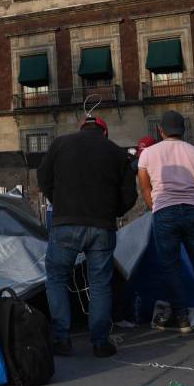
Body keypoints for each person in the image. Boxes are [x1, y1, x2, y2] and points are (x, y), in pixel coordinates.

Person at [37, 115, 136, 357]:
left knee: (57, 279)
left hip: (66, 223)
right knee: (100, 284)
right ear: (104, 132)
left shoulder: (61, 143)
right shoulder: (117, 152)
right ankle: (100, 342)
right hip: (102, 226)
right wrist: (112, 212)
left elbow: (43, 178)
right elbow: (129, 195)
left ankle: (61, 338)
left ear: (81, 129)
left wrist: (58, 202)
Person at [137, 110, 194, 333]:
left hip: (164, 212)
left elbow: (145, 187)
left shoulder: (147, 154)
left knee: (171, 267)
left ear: (160, 130)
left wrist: (155, 207)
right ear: (183, 130)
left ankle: (183, 319)